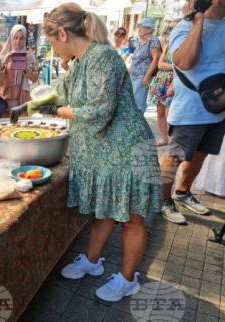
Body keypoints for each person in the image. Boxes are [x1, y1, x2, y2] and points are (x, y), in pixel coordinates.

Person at [36, 3, 162, 302]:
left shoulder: (103, 56)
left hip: (128, 151)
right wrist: (40, 100)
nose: (52, 49)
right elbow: (66, 99)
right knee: (104, 210)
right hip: (106, 153)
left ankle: (128, 279)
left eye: (52, 42)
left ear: (63, 34)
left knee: (132, 219)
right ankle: (92, 261)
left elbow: (96, 112)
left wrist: (54, 109)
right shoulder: (79, 62)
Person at [159, 0, 225, 225]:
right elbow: (184, 62)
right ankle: (163, 200)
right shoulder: (184, 27)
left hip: (218, 109)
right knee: (175, 157)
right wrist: (198, 21)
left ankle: (183, 192)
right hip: (190, 110)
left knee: (200, 155)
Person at [147, 20, 177, 147]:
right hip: (161, 82)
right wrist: (174, 66)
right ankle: (164, 138)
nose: (168, 33)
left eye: (171, 29)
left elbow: (182, 67)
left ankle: (173, 139)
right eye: (169, 30)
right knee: (159, 113)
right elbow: (160, 64)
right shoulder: (167, 46)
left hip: (173, 82)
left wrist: (170, 67)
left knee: (169, 114)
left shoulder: (180, 47)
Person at [0, 24, 39, 111]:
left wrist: (25, 68)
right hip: (5, 98)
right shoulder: (4, 55)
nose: (18, 41)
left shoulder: (29, 56)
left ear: (25, 39)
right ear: (11, 38)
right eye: (15, 37)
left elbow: (35, 79)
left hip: (23, 98)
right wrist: (4, 62)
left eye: (22, 38)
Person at [130, 17, 161, 113]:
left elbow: (156, 58)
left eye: (142, 27)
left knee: (138, 105)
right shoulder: (140, 42)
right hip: (133, 76)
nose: (139, 29)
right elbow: (135, 60)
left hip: (142, 77)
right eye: (138, 26)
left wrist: (147, 76)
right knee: (131, 104)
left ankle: (138, 126)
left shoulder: (153, 40)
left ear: (149, 29)